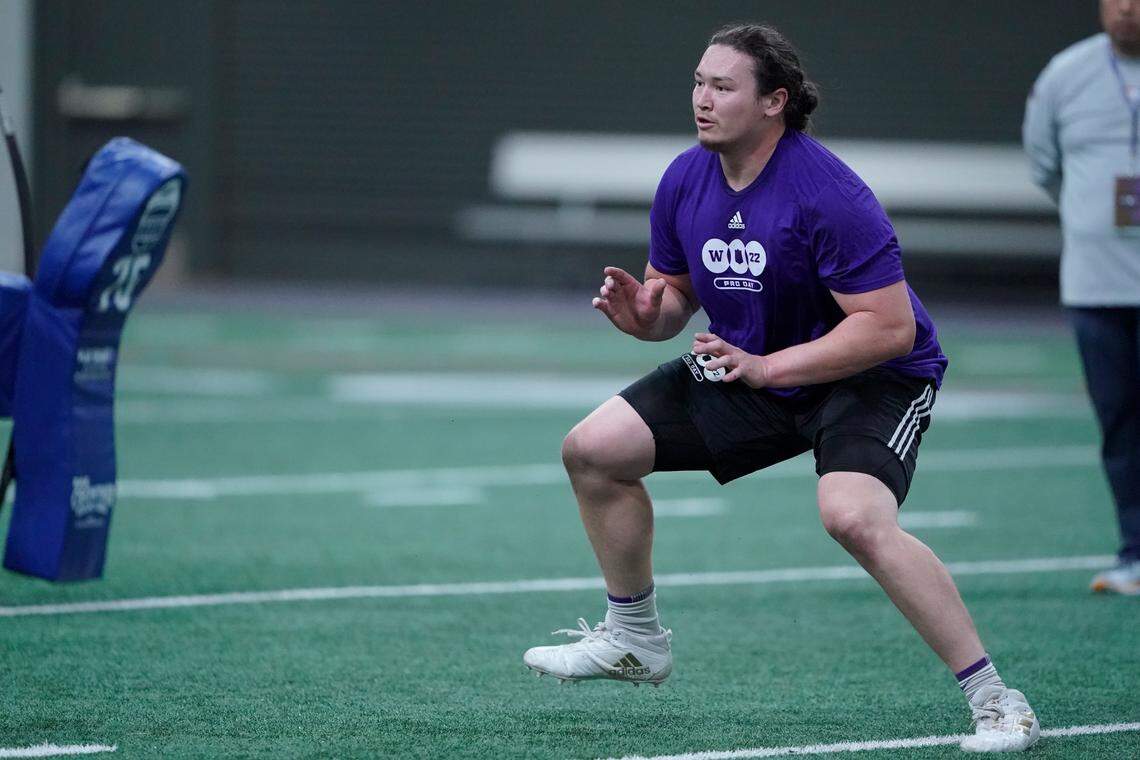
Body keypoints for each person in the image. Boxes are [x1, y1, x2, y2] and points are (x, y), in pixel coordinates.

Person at [522, 23, 1040, 753]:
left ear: (775, 101)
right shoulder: (685, 178)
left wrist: (771, 368)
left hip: (872, 377)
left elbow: (888, 329)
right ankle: (635, 639)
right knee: (593, 450)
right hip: (753, 364)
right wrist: (646, 316)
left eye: (723, 87)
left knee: (853, 518)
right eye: (699, 83)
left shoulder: (827, 193)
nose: (702, 100)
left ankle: (997, 700)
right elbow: (673, 299)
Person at [1023, 0, 1140, 596]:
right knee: (1120, 422)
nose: (1124, 8)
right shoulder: (1066, 75)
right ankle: (1135, 554)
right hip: (1097, 284)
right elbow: (1044, 165)